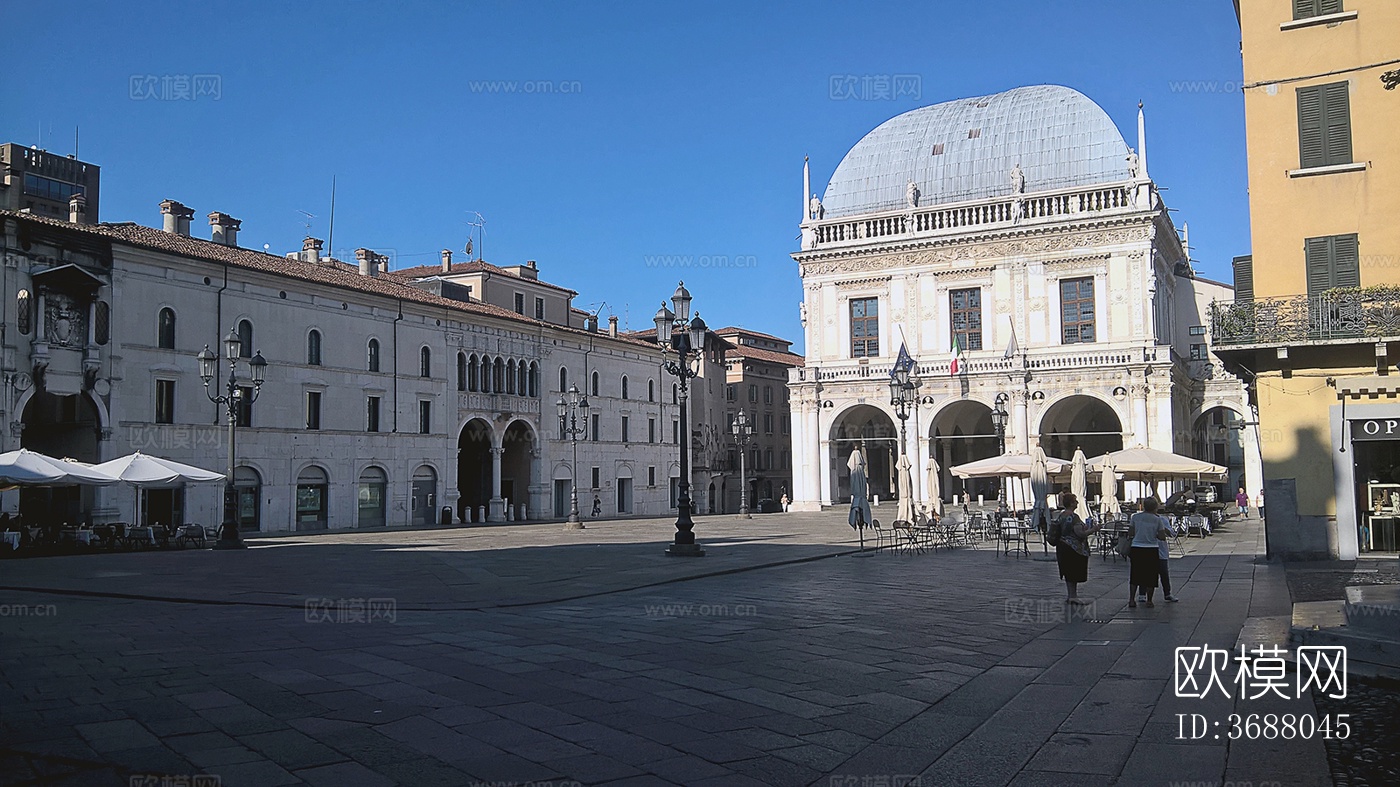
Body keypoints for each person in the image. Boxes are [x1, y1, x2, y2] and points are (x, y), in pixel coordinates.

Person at [1054, 493, 1102, 606]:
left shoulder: (1062, 515)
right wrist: (1094, 529)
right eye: (1075, 501)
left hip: (1062, 546)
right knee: (1073, 571)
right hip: (1073, 548)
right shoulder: (1073, 517)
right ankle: (1073, 596)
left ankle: (1070, 595)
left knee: (1068, 572)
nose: (1077, 503)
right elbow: (1080, 534)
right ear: (1071, 503)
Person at [1129, 497, 1172, 608]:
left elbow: (1131, 532)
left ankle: (1132, 599)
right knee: (1150, 575)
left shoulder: (1135, 517)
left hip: (1136, 547)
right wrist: (1153, 534)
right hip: (1151, 548)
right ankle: (1149, 600)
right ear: (1155, 507)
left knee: (1135, 574)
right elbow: (1162, 536)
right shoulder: (1157, 519)